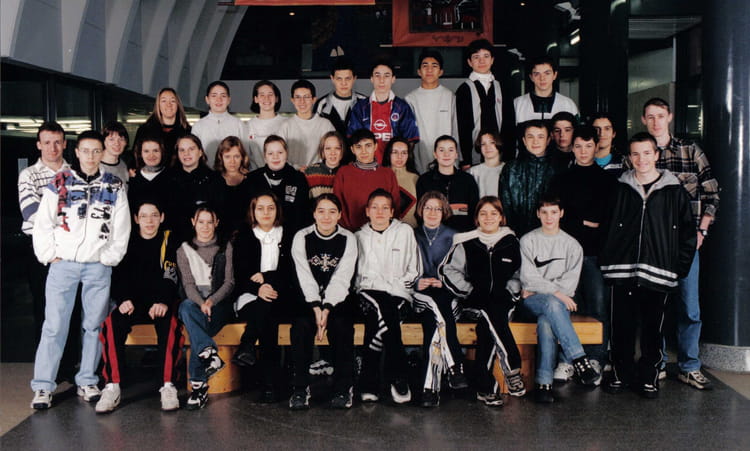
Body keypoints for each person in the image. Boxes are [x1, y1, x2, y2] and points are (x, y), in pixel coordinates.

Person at [30, 130, 131, 409]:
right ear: (76, 152)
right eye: (85, 151)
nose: (90, 156)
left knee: (94, 326)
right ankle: (43, 386)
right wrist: (48, 254)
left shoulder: (113, 185)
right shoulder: (59, 181)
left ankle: (87, 380)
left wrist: (109, 257)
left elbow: (122, 226)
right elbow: (43, 223)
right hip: (64, 264)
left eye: (96, 151)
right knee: (54, 326)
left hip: (97, 265)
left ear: (102, 153)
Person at [599, 132, 696, 399]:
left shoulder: (674, 191)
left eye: (646, 153)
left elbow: (687, 233)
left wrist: (679, 268)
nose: (641, 159)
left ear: (656, 155)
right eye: (635, 154)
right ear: (630, 158)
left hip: (659, 270)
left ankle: (649, 376)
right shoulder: (619, 188)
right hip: (622, 270)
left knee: (654, 328)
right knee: (622, 326)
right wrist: (608, 259)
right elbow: (606, 227)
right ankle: (620, 373)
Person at [641, 97, 720, 389]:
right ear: (643, 120)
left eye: (660, 116)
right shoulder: (640, 153)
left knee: (689, 308)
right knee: (655, 307)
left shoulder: (690, 150)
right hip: (652, 245)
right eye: (650, 117)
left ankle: (689, 366)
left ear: (670, 117)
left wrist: (702, 232)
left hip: (686, 242)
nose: (655, 122)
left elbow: (712, 194)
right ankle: (658, 362)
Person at [95, 201, 182, 413]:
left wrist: (163, 301)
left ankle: (167, 385)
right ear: (136, 219)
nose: (149, 221)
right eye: (144, 216)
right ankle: (112, 386)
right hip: (133, 303)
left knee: (170, 324)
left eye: (154, 215)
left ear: (162, 217)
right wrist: (123, 299)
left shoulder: (169, 240)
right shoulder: (127, 240)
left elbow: (170, 275)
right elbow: (118, 275)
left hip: (158, 303)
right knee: (111, 323)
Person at [440, 196, 526, 406]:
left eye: (493, 213)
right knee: (491, 315)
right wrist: (469, 291)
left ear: (501, 217)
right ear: (476, 218)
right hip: (474, 302)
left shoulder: (511, 242)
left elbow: (519, 274)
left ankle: (485, 386)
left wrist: (511, 291)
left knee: (490, 321)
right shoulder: (466, 242)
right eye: (483, 213)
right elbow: (448, 270)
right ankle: (512, 369)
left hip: (503, 301)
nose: (488, 218)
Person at [548, 125, 616, 382]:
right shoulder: (560, 179)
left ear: (596, 147)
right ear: (572, 148)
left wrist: (578, 222)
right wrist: (584, 222)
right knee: (566, 307)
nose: (583, 151)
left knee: (597, 306)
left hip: (596, 254)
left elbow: (607, 220)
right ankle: (567, 360)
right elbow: (555, 217)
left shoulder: (607, 181)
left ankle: (596, 358)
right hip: (565, 255)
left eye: (588, 146)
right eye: (578, 146)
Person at [519, 195, 600, 404]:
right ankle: (579, 358)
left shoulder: (572, 245)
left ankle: (544, 384)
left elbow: (569, 286)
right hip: (532, 303)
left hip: (557, 303)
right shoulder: (528, 240)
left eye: (554, 212)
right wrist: (556, 293)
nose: (549, 217)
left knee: (546, 321)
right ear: (538, 214)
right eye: (544, 212)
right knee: (551, 303)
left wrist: (547, 291)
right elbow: (528, 279)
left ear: (561, 214)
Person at [18, 121, 77, 381]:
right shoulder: (28, 175)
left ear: (64, 144)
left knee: (71, 309)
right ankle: (47, 372)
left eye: (57, 142)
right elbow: (31, 212)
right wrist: (63, 216)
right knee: (45, 311)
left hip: (70, 250)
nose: (52, 148)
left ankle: (69, 367)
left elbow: (79, 213)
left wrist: (55, 213)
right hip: (39, 250)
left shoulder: (75, 173)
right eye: (47, 142)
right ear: (38, 145)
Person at [290, 193, 358, 409]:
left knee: (342, 326)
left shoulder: (348, 238)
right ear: (314, 214)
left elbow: (342, 277)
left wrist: (327, 307)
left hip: (338, 298)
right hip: (308, 297)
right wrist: (315, 306)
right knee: (301, 326)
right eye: (321, 211)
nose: (326, 217)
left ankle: (343, 388)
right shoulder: (302, 236)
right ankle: (300, 389)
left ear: (339, 215)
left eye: (332, 212)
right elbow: (304, 275)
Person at [355, 189, 421, 404]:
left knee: (380, 322)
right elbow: (358, 277)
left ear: (392, 212)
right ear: (367, 211)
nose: (380, 212)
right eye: (375, 207)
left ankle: (368, 381)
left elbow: (414, 270)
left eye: (385, 208)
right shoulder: (358, 237)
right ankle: (399, 375)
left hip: (398, 293)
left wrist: (399, 287)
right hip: (369, 292)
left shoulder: (404, 232)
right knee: (384, 310)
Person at [231, 193, 296, 403]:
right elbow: (238, 274)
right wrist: (257, 288)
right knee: (266, 311)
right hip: (250, 295)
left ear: (277, 210)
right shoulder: (244, 236)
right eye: (260, 208)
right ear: (253, 211)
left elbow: (292, 272)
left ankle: (248, 345)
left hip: (282, 294)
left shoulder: (289, 235)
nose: (266, 213)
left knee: (268, 311)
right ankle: (272, 383)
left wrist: (267, 279)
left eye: (270, 208)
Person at [411, 191, 467, 407]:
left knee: (434, 326)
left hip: (447, 296)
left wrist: (444, 282)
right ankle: (455, 364)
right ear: (421, 210)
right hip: (421, 295)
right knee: (434, 309)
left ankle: (429, 390)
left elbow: (462, 273)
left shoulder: (455, 237)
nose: (432, 212)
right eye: (428, 208)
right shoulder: (411, 235)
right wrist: (418, 281)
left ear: (444, 212)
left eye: (437, 208)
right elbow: (403, 269)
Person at [177, 205, 235, 410]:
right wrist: (201, 304)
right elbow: (188, 285)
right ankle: (208, 358)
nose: (205, 226)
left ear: (216, 223)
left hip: (219, 304)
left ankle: (199, 386)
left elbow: (229, 282)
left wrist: (211, 301)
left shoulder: (225, 247)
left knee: (197, 329)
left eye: (209, 222)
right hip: (195, 304)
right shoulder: (183, 249)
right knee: (186, 307)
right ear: (193, 222)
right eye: (201, 222)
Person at [348, 60, 419, 164]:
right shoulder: (360, 107)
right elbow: (353, 139)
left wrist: (399, 162)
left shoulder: (402, 107)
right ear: (371, 78)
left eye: (386, 76)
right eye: (377, 76)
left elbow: (410, 141)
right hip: (367, 166)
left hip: (394, 167)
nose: (381, 80)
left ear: (393, 79)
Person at [333, 129, 400, 231]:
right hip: (350, 232)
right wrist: (349, 231)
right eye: (358, 147)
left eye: (368, 146)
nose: (364, 151)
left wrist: (384, 230)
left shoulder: (388, 173)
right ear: (352, 149)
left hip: (383, 232)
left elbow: (395, 205)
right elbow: (338, 205)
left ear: (375, 146)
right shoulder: (343, 172)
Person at [499, 119, 557, 236]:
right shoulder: (511, 168)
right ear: (524, 141)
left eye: (540, 137)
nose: (535, 141)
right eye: (530, 137)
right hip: (515, 233)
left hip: (549, 234)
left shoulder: (557, 169)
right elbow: (504, 205)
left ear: (548, 140)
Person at [405, 49, 456, 173]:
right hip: (420, 160)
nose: (429, 70)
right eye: (425, 66)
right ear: (419, 71)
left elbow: (455, 129)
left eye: (434, 66)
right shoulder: (410, 99)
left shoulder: (449, 96)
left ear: (441, 72)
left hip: (447, 160)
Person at [246, 135, 310, 233]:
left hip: (291, 234)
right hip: (259, 235)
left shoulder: (298, 178)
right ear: (265, 157)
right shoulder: (252, 179)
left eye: (280, 152)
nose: (275, 157)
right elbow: (247, 215)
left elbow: (303, 215)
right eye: (270, 153)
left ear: (286, 154)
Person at [416, 135, 480, 232]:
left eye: (451, 150)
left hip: (464, 234)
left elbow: (475, 211)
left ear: (456, 154)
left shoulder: (467, 180)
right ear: (435, 154)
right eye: (441, 150)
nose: (446, 154)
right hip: (434, 235)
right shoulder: (424, 180)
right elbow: (419, 212)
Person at [456, 39, 502, 167]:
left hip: (499, 155)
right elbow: (461, 127)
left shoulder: (501, 87)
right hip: (474, 156)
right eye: (476, 57)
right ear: (469, 62)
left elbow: (509, 124)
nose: (482, 61)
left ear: (492, 60)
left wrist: (509, 156)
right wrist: (465, 159)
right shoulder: (464, 89)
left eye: (486, 56)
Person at [169, 134, 224, 240]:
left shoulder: (215, 180)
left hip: (208, 239)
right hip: (177, 238)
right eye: (182, 150)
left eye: (191, 149)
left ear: (200, 152)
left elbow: (221, 215)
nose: (186, 153)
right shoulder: (168, 180)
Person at [277, 79, 336, 168]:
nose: (302, 101)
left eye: (306, 97)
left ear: (314, 99)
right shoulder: (285, 126)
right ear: (292, 100)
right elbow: (278, 154)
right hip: (292, 173)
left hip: (319, 173)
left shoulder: (326, 125)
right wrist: (296, 168)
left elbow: (334, 152)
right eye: (298, 97)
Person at [190, 80, 245, 164]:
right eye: (214, 96)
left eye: (223, 96)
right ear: (207, 99)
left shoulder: (239, 124)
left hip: (233, 171)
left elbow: (245, 153)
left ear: (229, 100)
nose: (219, 99)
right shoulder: (198, 126)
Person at [513, 55, 579, 124]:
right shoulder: (518, 104)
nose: (542, 78)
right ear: (531, 77)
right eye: (537, 74)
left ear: (555, 75)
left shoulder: (568, 104)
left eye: (547, 73)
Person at [313, 56, 367, 137]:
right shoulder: (322, 104)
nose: (343, 83)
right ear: (332, 79)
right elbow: (316, 134)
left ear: (354, 78)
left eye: (347, 79)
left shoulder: (364, 102)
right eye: (339, 79)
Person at [134, 87, 191, 162]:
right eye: (164, 101)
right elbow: (135, 156)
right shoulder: (145, 130)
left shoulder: (187, 131)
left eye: (173, 101)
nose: (169, 104)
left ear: (178, 104)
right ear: (158, 105)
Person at [128, 136, 172, 226]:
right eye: (146, 151)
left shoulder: (172, 177)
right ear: (140, 153)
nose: (151, 155)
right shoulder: (133, 178)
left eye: (155, 150)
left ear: (162, 152)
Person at [214, 136, 252, 235]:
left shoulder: (252, 180)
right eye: (227, 156)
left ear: (242, 157)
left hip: (247, 234)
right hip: (219, 235)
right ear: (221, 157)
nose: (232, 161)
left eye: (236, 156)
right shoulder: (213, 181)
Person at [245, 80, 286, 170]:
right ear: (256, 99)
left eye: (270, 95)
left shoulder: (286, 124)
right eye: (262, 95)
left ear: (276, 98)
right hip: (256, 174)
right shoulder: (247, 126)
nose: (266, 98)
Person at [382, 137, 419, 226]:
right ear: (388, 154)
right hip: (384, 230)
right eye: (395, 152)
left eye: (404, 153)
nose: (399, 157)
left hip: (411, 229)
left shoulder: (416, 178)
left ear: (409, 155)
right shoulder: (379, 176)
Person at [304, 131, 346, 199]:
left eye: (337, 148)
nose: (333, 153)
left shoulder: (348, 172)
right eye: (328, 148)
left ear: (342, 150)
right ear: (322, 151)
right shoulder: (310, 172)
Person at [467, 130, 505, 197]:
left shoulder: (508, 170)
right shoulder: (473, 172)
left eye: (492, 143)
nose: (487, 147)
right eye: (483, 144)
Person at [591, 112, 625, 177]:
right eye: (596, 129)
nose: (601, 134)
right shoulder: (578, 161)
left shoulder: (624, 163)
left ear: (614, 134)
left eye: (607, 129)